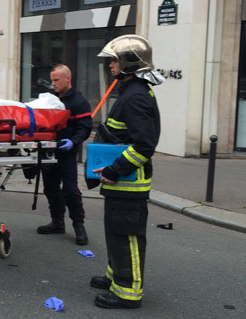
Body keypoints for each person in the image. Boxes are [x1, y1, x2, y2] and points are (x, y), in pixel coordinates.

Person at [90, 35, 163, 309]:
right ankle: (116, 277)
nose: (110, 65)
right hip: (120, 182)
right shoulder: (131, 90)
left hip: (128, 182)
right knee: (115, 232)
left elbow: (145, 145)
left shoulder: (135, 97)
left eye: (115, 60)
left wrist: (114, 169)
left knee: (127, 236)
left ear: (130, 63)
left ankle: (128, 292)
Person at [36, 64, 92, 245]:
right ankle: (57, 222)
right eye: (52, 80)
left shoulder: (78, 101)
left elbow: (84, 128)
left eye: (57, 80)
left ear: (68, 78)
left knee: (71, 190)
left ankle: (79, 225)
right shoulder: (50, 100)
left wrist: (73, 142)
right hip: (49, 151)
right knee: (50, 188)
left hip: (67, 153)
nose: (53, 83)